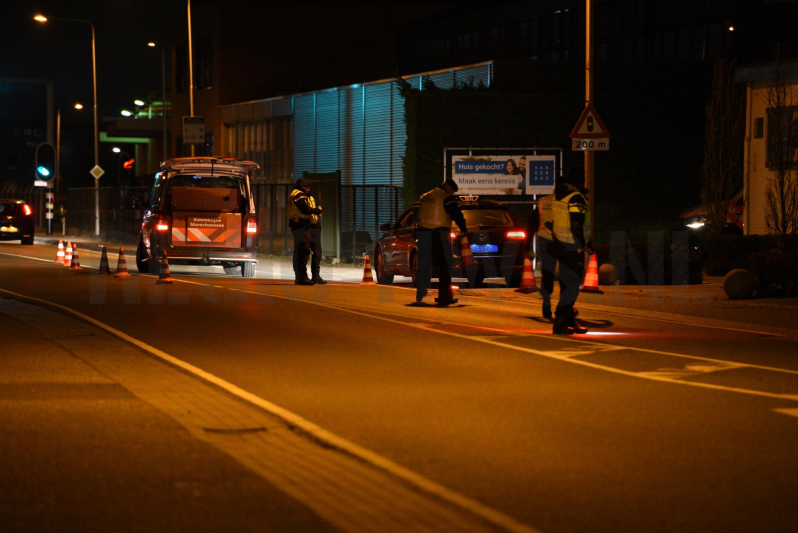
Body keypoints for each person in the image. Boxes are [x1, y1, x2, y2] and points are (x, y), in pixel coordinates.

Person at [414, 178, 468, 306]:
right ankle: (444, 296)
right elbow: (456, 214)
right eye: (452, 191)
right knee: (445, 265)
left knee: (424, 264)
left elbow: (417, 213)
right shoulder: (446, 197)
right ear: (449, 188)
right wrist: (463, 228)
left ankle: (420, 292)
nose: (452, 193)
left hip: (423, 234)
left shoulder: (424, 196)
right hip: (439, 234)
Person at [550, 166, 591, 334]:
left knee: (566, 285)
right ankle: (560, 319)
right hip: (572, 248)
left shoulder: (557, 197)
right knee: (573, 287)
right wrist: (581, 245)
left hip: (559, 246)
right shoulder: (576, 198)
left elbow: (554, 222)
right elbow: (575, 225)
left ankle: (570, 321)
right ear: (580, 181)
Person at [287, 177, 325, 285]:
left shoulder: (307, 195)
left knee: (315, 251)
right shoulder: (298, 195)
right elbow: (305, 209)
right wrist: (317, 210)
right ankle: (301, 277)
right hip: (300, 224)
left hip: (311, 225)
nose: (308, 189)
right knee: (302, 251)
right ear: (302, 186)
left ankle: (314, 276)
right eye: (306, 186)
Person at [529, 191, 556, 319]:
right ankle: (561, 306)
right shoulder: (570, 201)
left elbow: (532, 224)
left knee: (548, 273)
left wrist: (527, 246)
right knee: (563, 274)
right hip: (562, 242)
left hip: (546, 240)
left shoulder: (543, 201)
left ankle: (547, 300)